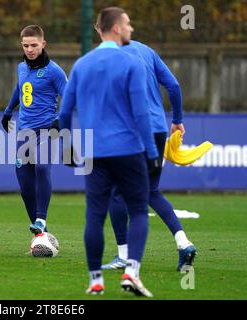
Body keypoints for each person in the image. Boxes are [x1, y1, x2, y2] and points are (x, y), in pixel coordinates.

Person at [59, 7, 160, 297]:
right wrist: (152, 152)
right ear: (115, 28)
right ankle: (132, 273)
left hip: (95, 151)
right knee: (139, 211)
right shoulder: (132, 63)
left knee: (94, 216)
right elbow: (141, 114)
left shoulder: (82, 64)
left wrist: (68, 146)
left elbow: (64, 113)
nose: (131, 28)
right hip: (128, 149)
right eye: (128, 23)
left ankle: (95, 281)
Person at [101, 40, 197, 272]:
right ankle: (184, 243)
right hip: (158, 129)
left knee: (115, 192)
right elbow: (173, 85)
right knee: (150, 191)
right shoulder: (146, 51)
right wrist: (177, 120)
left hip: (132, 130)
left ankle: (124, 255)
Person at [1, 25, 67, 235]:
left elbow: (70, 96)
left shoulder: (54, 71)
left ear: (43, 44)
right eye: (26, 45)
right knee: (24, 183)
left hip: (47, 129)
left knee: (42, 167)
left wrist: (60, 120)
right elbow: (19, 88)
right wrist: (8, 110)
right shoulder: (22, 67)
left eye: (34, 45)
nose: (29, 49)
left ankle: (41, 218)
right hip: (24, 132)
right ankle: (41, 234)